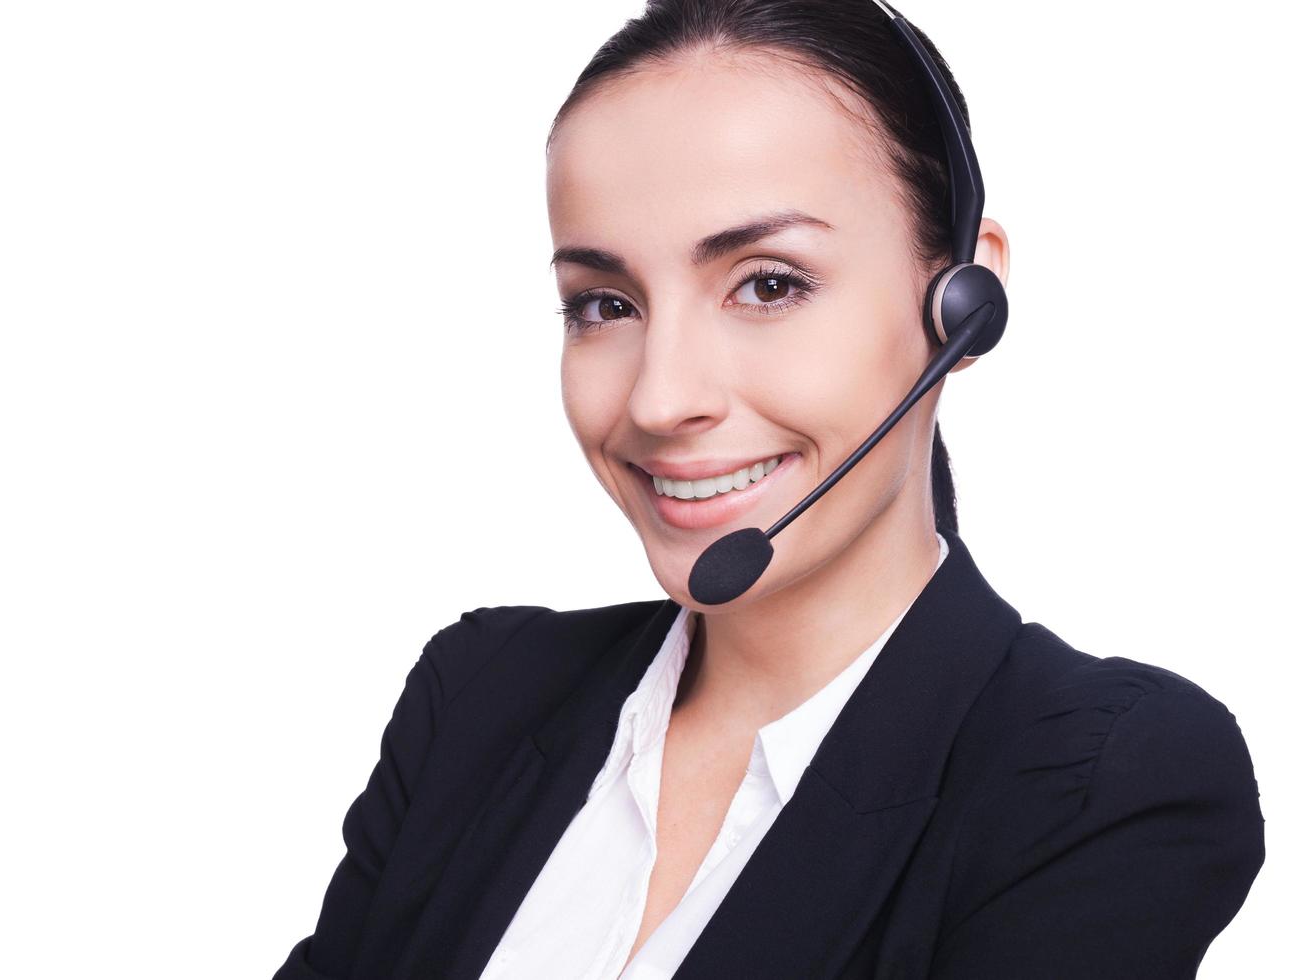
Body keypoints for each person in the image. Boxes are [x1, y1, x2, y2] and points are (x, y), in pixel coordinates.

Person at [272, 1, 1265, 977]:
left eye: (767, 283)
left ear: (961, 299)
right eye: (603, 303)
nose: (660, 397)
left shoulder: (1097, 777)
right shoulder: (478, 693)